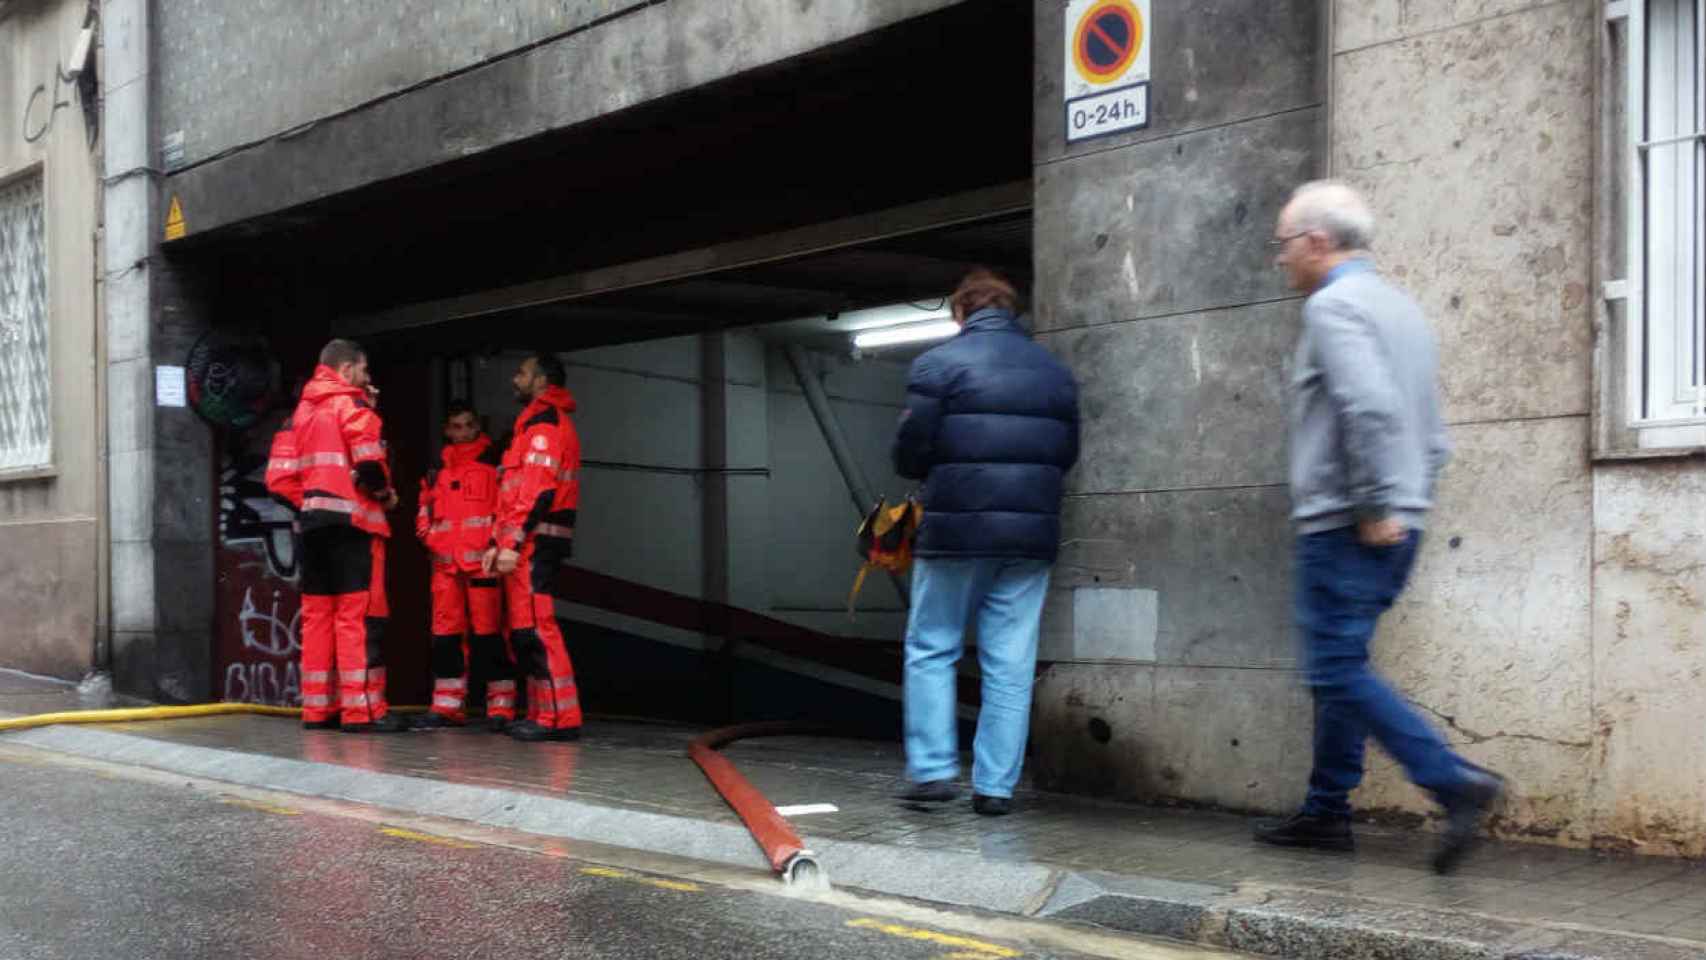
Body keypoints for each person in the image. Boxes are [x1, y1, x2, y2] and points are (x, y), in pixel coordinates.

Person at [1255, 180, 1504, 873]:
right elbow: (1431, 433)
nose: (1280, 260)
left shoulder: (1334, 307)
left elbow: (1367, 408)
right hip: (1399, 519)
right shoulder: (1399, 307)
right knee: (1342, 670)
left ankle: (1454, 782)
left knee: (1334, 667)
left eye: (1283, 245)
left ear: (1316, 242)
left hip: (1349, 523)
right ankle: (1327, 810)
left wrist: (1371, 506)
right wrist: (1407, 503)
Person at [891, 269, 1080, 816]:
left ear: (959, 313)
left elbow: (910, 451)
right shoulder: (1055, 373)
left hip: (957, 528)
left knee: (933, 646)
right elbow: (1066, 454)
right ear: (1011, 310)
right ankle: (995, 787)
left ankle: (932, 773)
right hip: (1029, 535)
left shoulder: (937, 365)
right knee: (1011, 661)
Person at [269, 340, 407, 733]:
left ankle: (317, 710)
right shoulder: (353, 406)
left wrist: (313, 501)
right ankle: (359, 711)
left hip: (311, 527)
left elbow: (278, 481)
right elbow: (369, 464)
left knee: (317, 618)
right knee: (354, 619)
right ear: (346, 370)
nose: (368, 380)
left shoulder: (298, 415)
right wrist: (385, 496)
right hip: (352, 528)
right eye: (364, 372)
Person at [482, 352, 584, 742]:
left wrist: (511, 541)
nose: (514, 379)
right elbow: (513, 495)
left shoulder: (545, 425)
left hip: (536, 542)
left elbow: (537, 491)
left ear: (541, 380)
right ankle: (545, 714)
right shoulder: (531, 425)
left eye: (521, 372)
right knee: (526, 632)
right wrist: (498, 540)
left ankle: (558, 718)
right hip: (526, 542)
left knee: (537, 630)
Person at [414, 401, 516, 732]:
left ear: (478, 427)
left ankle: (500, 706)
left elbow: (506, 509)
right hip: (446, 568)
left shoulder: (493, 464)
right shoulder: (436, 470)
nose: (463, 432)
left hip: (482, 566)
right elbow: (424, 510)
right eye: (456, 426)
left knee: (490, 637)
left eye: (468, 425)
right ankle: (447, 705)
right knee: (445, 638)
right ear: (447, 430)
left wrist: (496, 547)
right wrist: (430, 538)